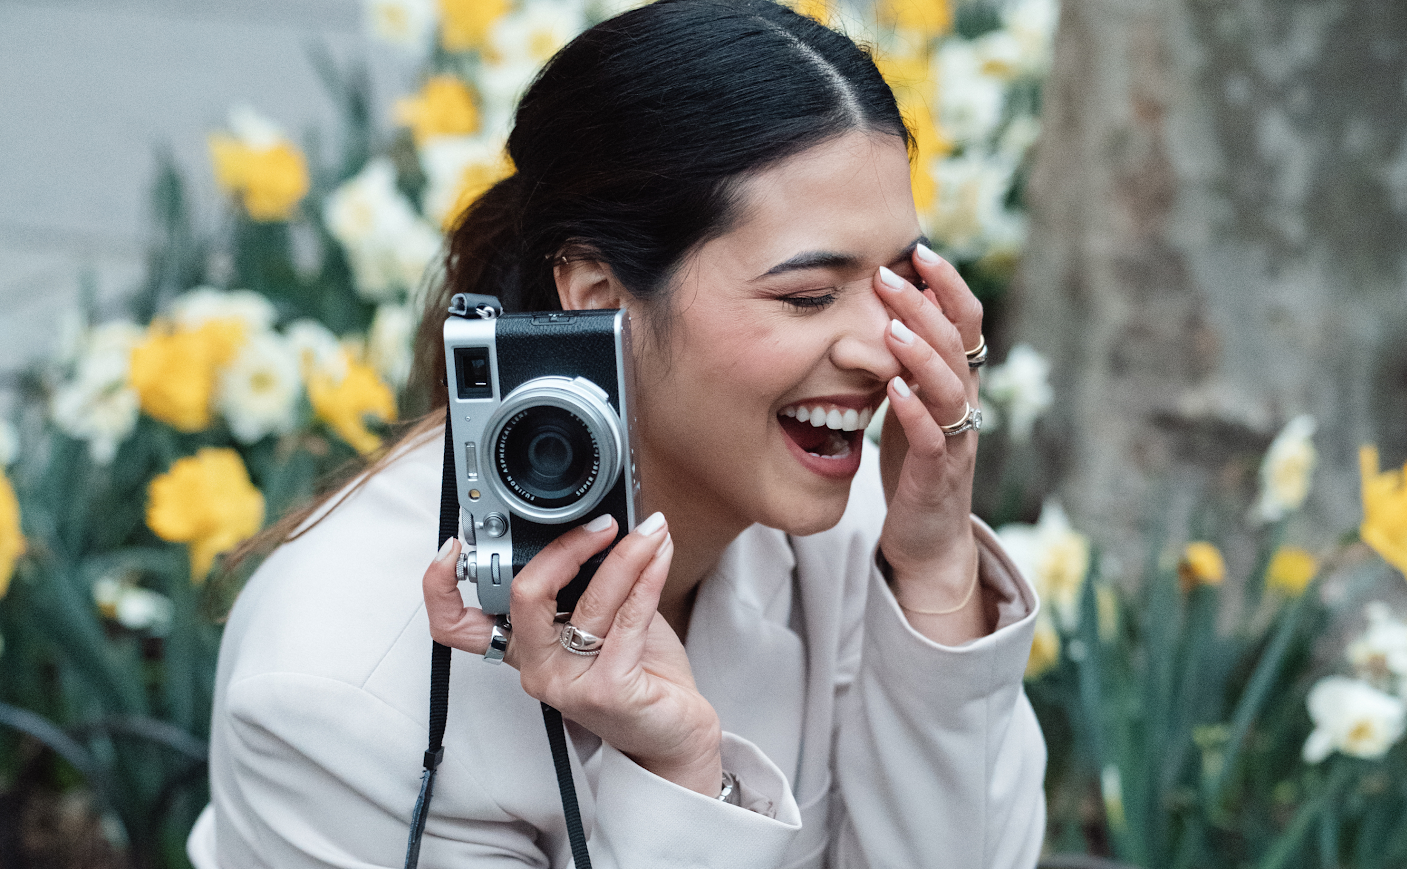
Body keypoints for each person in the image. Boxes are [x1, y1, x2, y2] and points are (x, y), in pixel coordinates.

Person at [187, 0, 1047, 865]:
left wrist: (936, 565)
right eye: (807, 296)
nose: (880, 351)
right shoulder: (336, 692)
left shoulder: (865, 528)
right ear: (600, 297)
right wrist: (682, 775)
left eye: (900, 285)